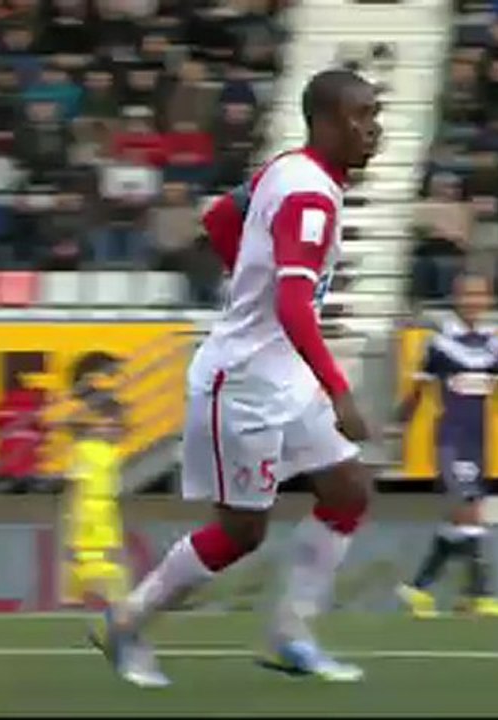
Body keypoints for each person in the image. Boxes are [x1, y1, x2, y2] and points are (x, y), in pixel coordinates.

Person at [91, 68, 382, 687]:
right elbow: (292, 305)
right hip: (245, 382)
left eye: (375, 114)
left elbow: (222, 218)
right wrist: (338, 388)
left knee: (348, 490)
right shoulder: (309, 198)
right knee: (242, 531)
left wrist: (248, 274)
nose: (374, 129)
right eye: (361, 116)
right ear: (327, 123)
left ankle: (290, 633)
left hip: (282, 373)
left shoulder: (288, 169)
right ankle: (129, 620)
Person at [392, 272, 498, 618]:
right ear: (456, 297)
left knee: (459, 521)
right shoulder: (438, 343)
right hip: (450, 437)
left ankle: (417, 589)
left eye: (480, 294)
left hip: (479, 439)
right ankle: (479, 594)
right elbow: (418, 391)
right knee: (470, 513)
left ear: (488, 300)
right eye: (467, 294)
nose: (473, 301)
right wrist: (398, 424)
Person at [61, 406, 129, 610]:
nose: (114, 431)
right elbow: (75, 482)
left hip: (107, 506)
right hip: (90, 507)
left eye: (115, 427)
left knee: (101, 552)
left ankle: (73, 596)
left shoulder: (112, 451)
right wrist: (74, 511)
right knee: (91, 553)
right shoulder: (84, 449)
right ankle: (116, 595)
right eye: (109, 427)